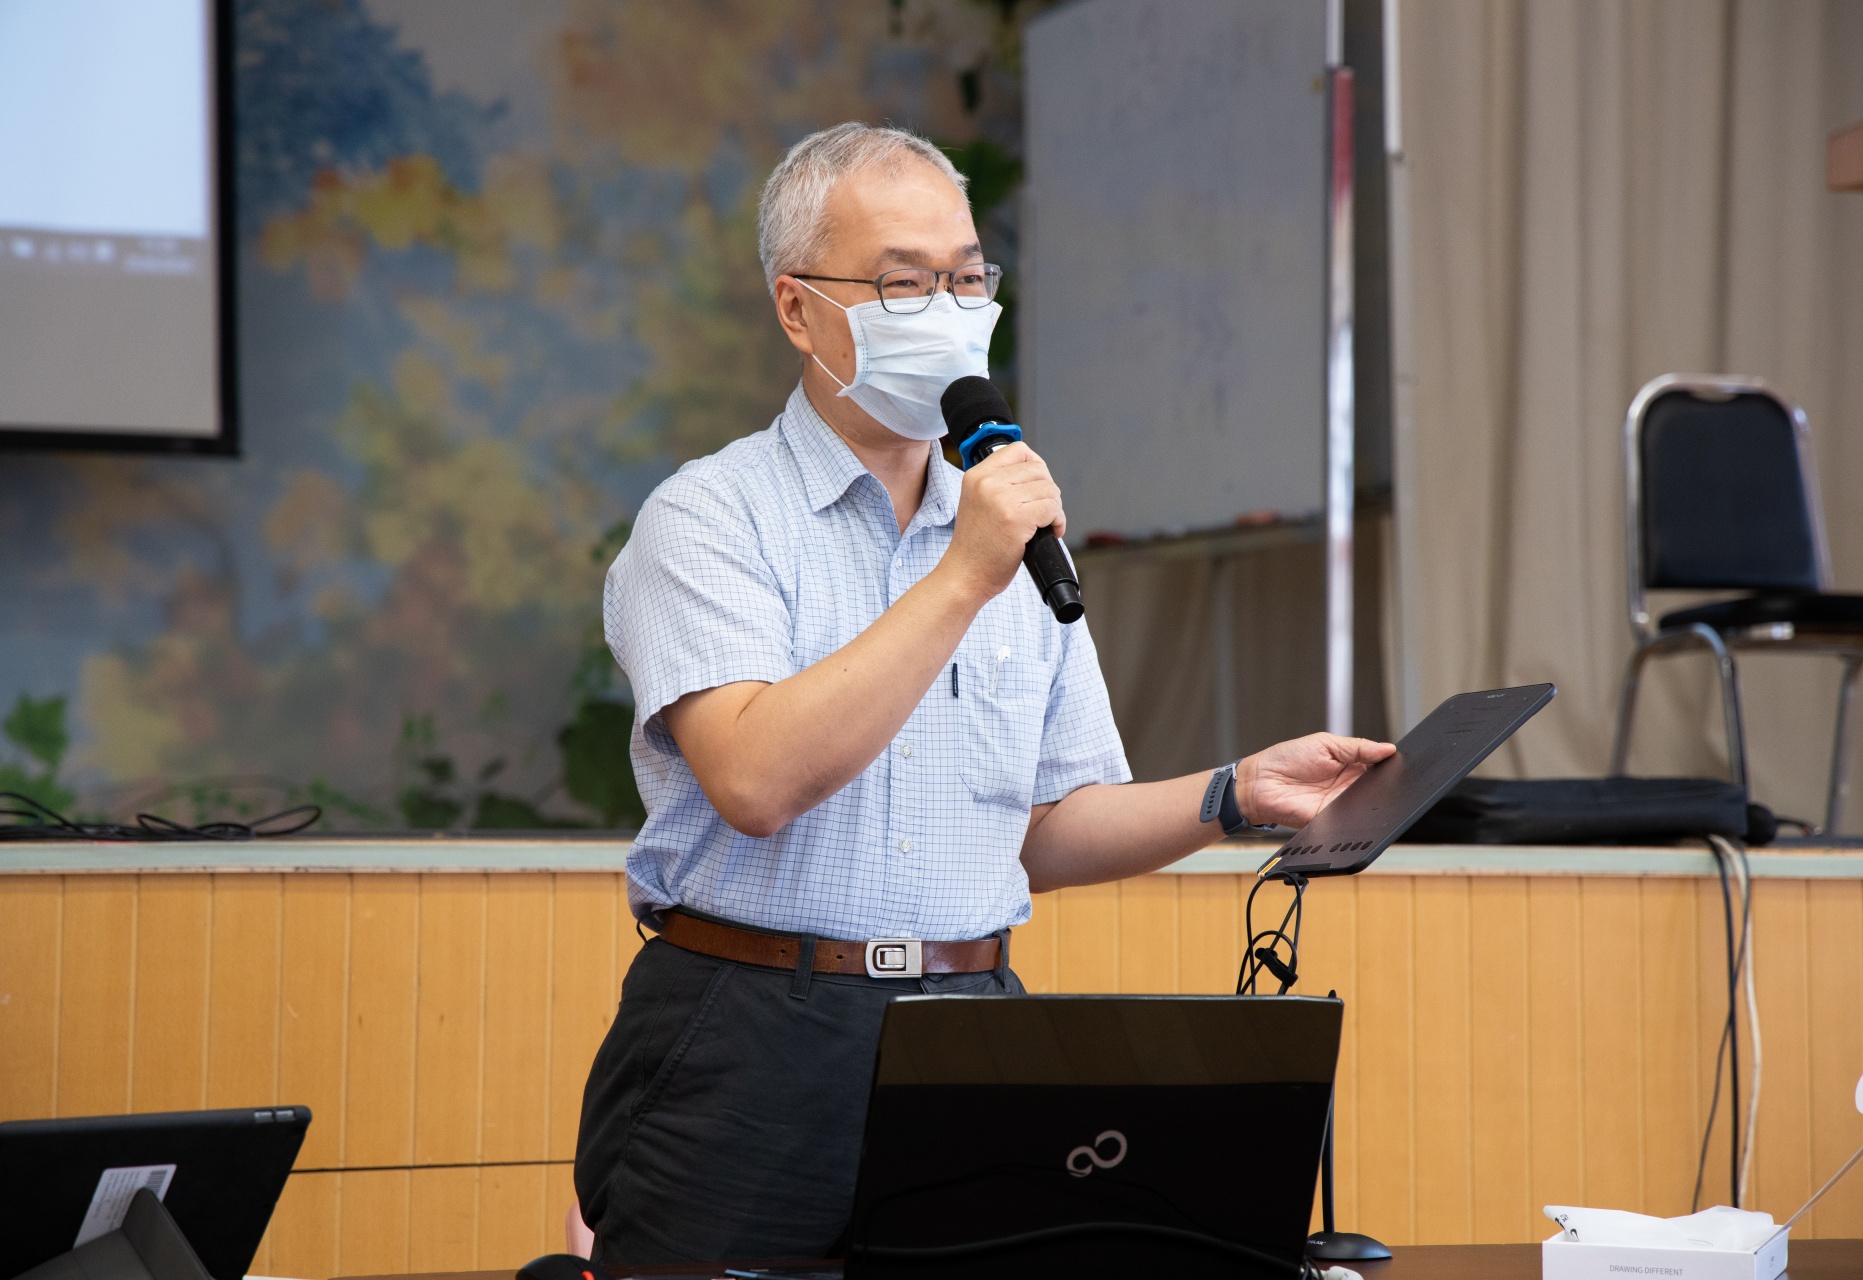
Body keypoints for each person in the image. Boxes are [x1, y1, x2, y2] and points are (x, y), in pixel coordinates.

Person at [574, 121, 1394, 1264]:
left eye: (966, 278)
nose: (950, 310)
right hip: (749, 1031)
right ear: (797, 309)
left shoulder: (1003, 522)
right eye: (902, 282)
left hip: (974, 1029)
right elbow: (755, 778)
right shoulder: (711, 517)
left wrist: (1236, 792)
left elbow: (1044, 827)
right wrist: (965, 573)